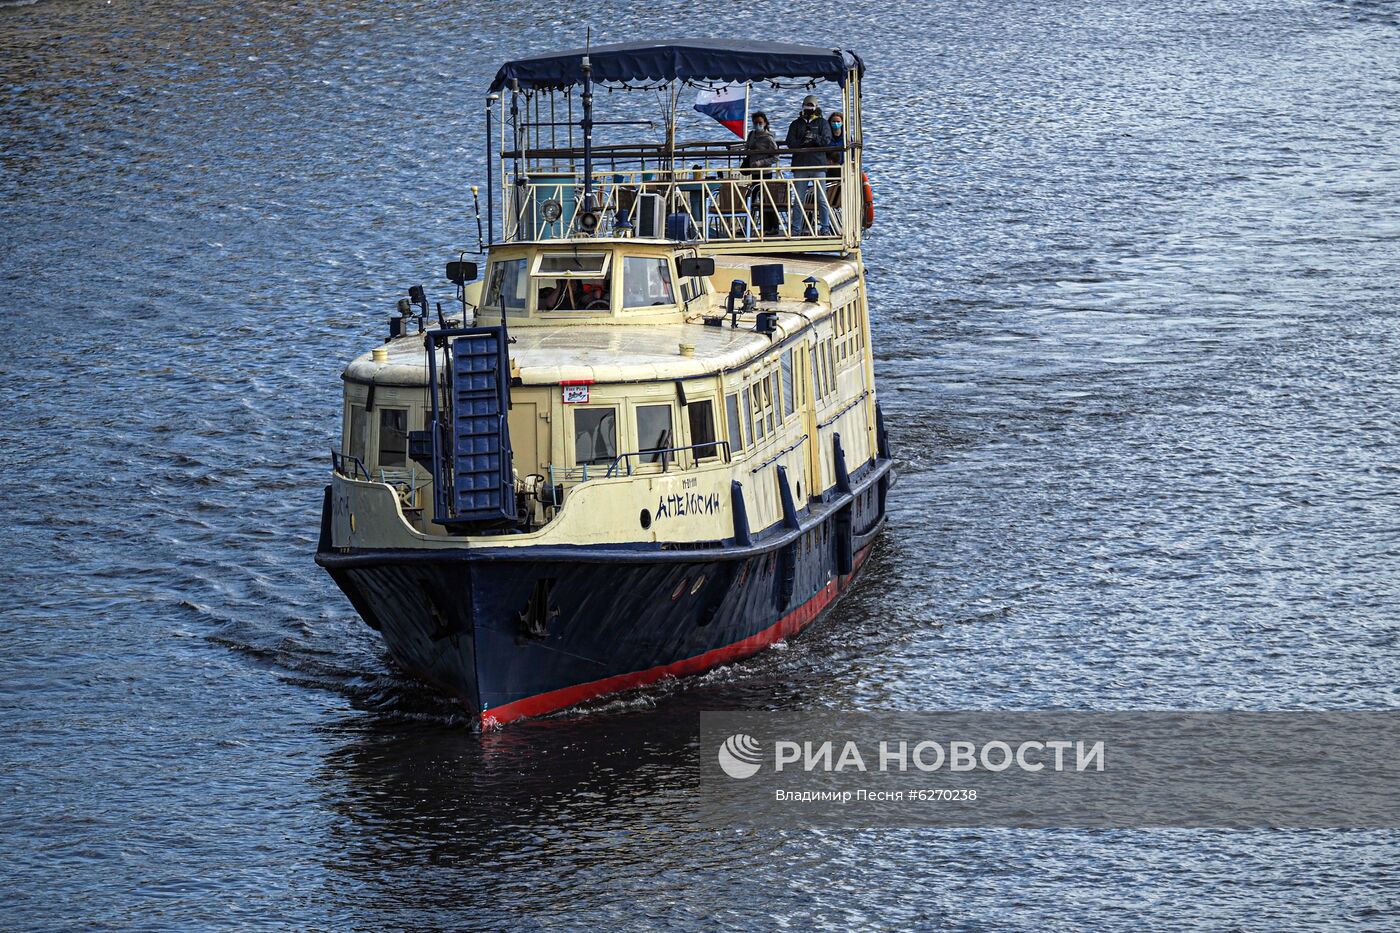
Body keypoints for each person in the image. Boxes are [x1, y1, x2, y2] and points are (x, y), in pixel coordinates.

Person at [785, 95, 835, 236]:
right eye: (806, 106)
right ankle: (796, 228)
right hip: (801, 165)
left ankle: (824, 227)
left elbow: (826, 140)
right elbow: (790, 142)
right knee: (799, 199)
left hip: (818, 165)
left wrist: (814, 138)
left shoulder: (822, 123)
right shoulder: (796, 124)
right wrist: (802, 141)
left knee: (821, 198)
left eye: (811, 106)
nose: (809, 109)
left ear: (816, 107)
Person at [740, 112, 781, 235]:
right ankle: (748, 226)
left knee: (766, 199)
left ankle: (772, 227)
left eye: (760, 123)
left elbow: (776, 156)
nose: (758, 125)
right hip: (754, 171)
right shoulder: (752, 134)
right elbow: (748, 147)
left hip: (765, 171)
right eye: (755, 123)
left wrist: (761, 162)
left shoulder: (769, 138)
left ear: (765, 123)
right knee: (751, 198)